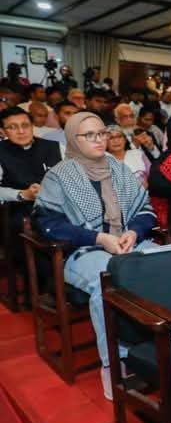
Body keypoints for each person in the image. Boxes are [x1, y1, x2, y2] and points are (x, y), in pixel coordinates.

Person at [33, 112, 157, 400]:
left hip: (126, 243)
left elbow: (146, 210)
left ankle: (155, 347)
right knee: (109, 279)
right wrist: (99, 238)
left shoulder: (119, 168)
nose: (99, 140)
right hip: (82, 251)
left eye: (101, 133)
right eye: (89, 135)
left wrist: (133, 232)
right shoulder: (59, 176)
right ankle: (115, 361)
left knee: (162, 264)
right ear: (72, 139)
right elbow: (47, 224)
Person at [0, 106, 62, 202]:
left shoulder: (56, 146)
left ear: (32, 126)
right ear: (3, 131)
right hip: (18, 206)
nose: (21, 131)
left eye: (25, 125)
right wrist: (22, 194)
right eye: (13, 127)